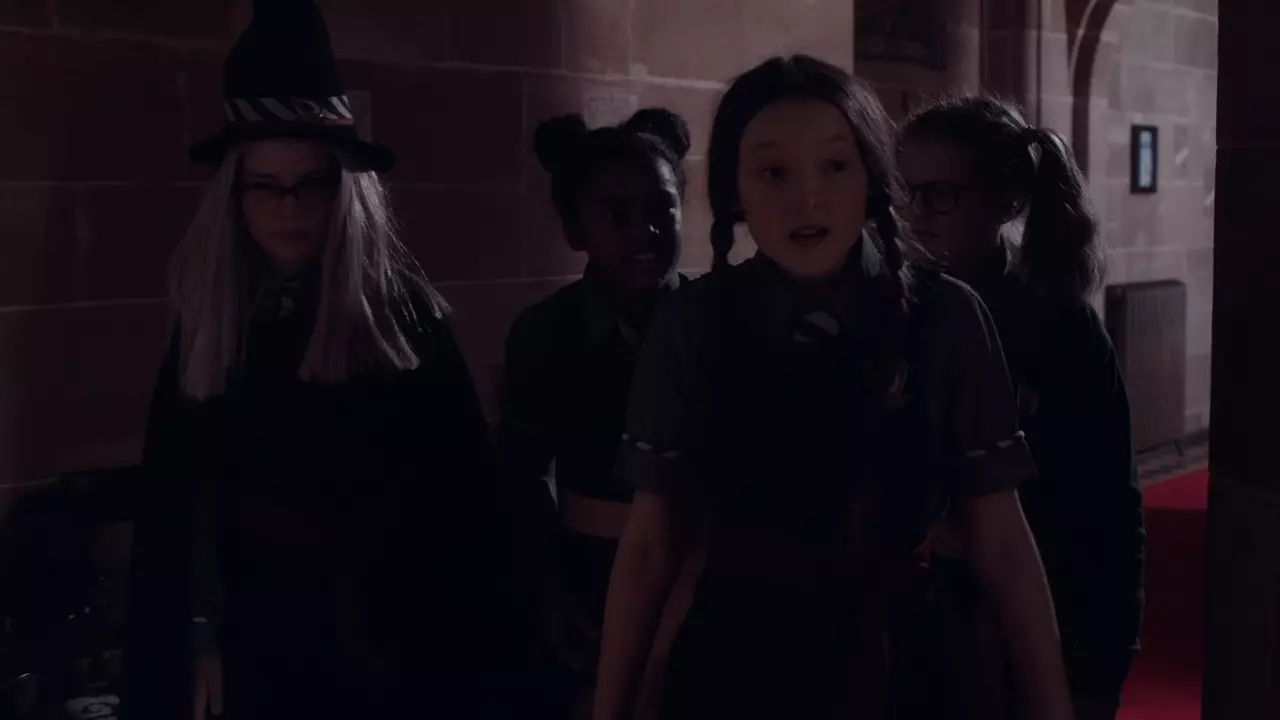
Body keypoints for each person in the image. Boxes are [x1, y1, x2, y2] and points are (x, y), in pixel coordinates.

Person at [592, 54, 1076, 720]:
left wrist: (1054, 709)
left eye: (835, 166)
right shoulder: (694, 323)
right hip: (736, 665)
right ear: (733, 191)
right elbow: (653, 541)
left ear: (871, 178)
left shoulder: (944, 318)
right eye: (774, 172)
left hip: (902, 665)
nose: (808, 200)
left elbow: (1002, 541)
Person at [121, 1, 534, 717]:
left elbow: (464, 517)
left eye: (312, 182)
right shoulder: (211, 323)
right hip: (255, 655)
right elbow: (178, 511)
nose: (289, 206)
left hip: (388, 657)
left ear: (345, 190)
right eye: (266, 185)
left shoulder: (400, 319)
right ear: (234, 196)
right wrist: (200, 640)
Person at [898, 96, 1144, 720]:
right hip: (918, 636)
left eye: (940, 195)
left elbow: (1108, 508)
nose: (915, 213)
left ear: (1006, 202)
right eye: (905, 191)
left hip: (1043, 623)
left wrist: (1100, 667)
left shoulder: (1060, 327)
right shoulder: (894, 309)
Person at [497, 108, 700, 719]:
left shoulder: (712, 319)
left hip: (701, 569)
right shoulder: (546, 332)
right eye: (616, 214)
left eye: (662, 208)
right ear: (574, 230)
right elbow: (519, 476)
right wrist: (548, 589)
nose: (645, 230)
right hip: (590, 577)